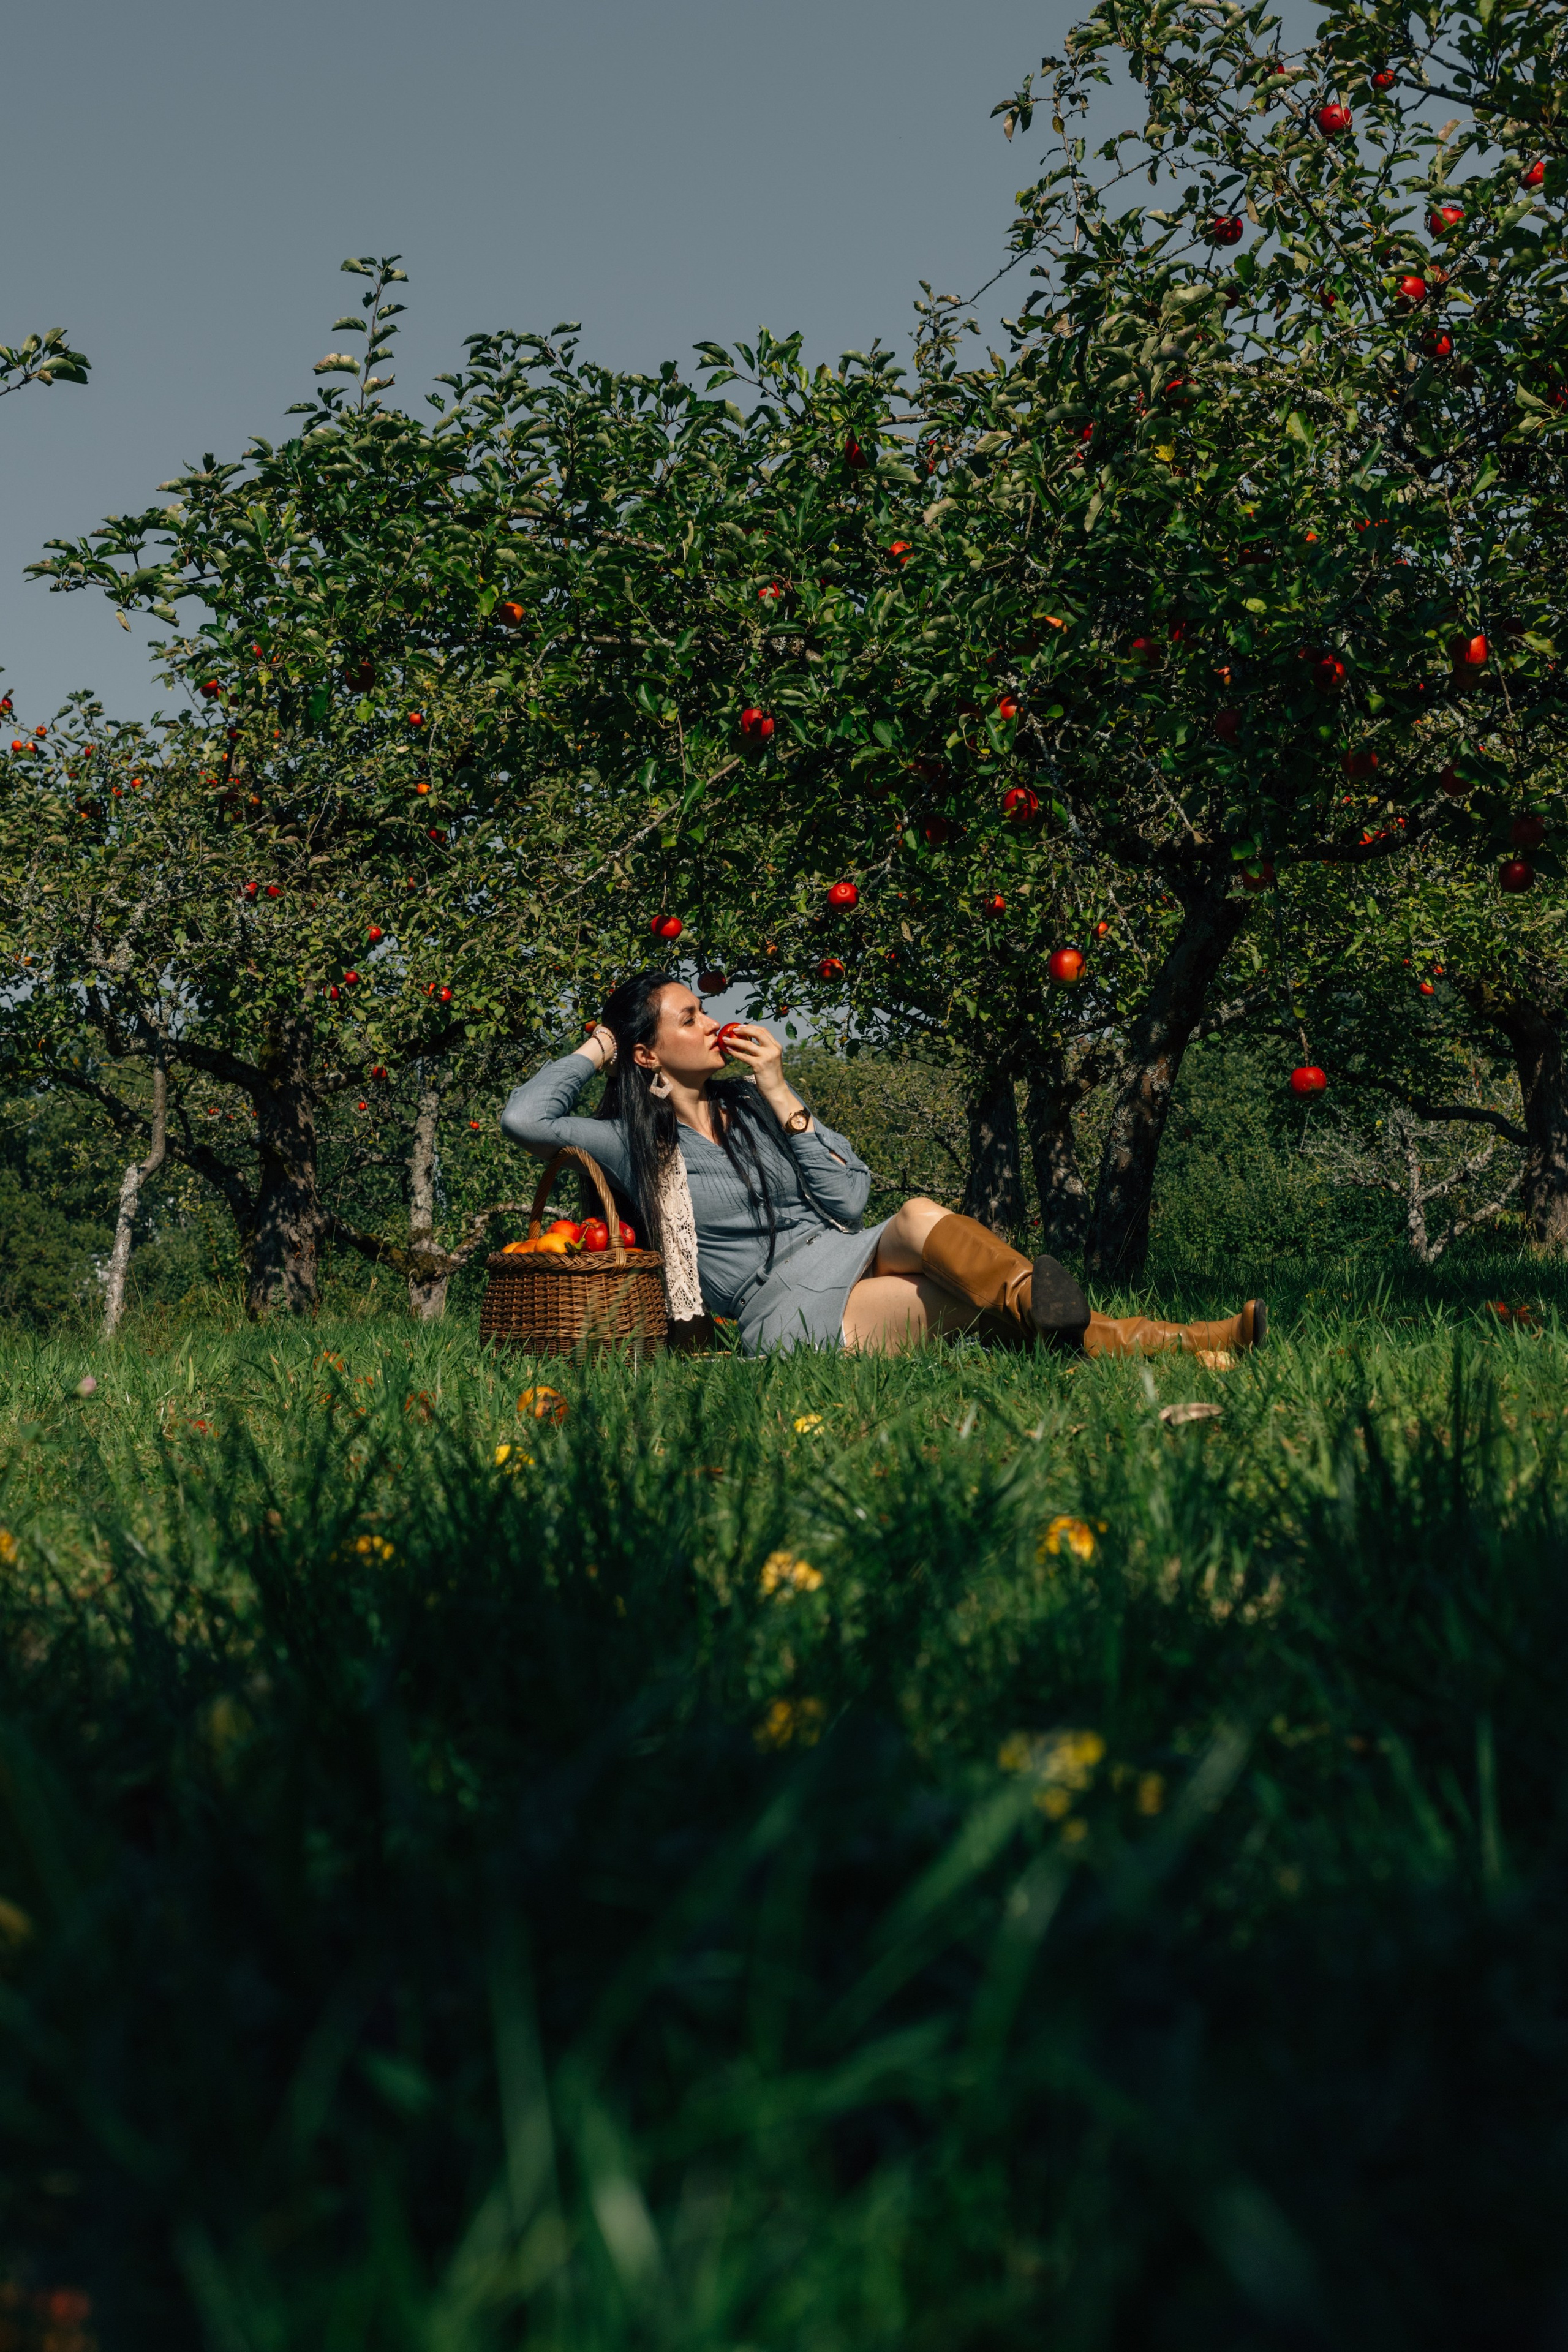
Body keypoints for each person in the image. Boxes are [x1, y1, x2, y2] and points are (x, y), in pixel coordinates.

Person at [500, 970, 1266, 1360]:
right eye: (690, 1017)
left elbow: (848, 1196)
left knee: (917, 1216)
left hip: (840, 1247)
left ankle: (1106, 1328)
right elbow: (524, 1119)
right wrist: (602, 1041)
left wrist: (778, 1087)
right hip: (781, 1307)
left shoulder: (753, 1109)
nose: (712, 1021)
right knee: (971, 1305)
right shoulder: (627, 1144)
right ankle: (1178, 1344)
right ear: (647, 1051)